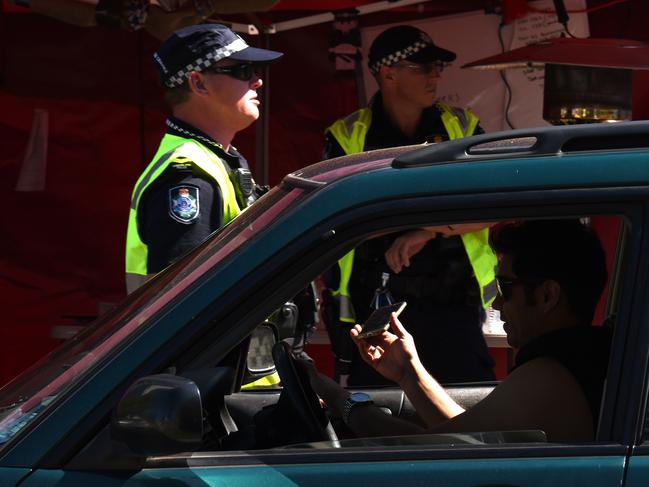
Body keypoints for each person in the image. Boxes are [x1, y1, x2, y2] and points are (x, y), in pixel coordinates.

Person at [308, 219, 612, 443]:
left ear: (548, 295)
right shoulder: (573, 363)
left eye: (506, 287)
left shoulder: (551, 377)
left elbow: (427, 450)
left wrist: (342, 401)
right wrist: (409, 373)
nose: (496, 301)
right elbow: (468, 436)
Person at [321, 25, 497, 386]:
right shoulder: (347, 136)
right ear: (388, 74)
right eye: (423, 67)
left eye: (437, 67)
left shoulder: (461, 127)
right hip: (376, 314)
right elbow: (331, 222)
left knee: (468, 430)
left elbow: (498, 206)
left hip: (455, 314)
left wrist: (426, 231)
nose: (435, 76)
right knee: (380, 430)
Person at [125, 23, 282, 293]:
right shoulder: (188, 176)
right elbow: (179, 302)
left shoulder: (216, 158)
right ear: (198, 83)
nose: (257, 80)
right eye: (242, 70)